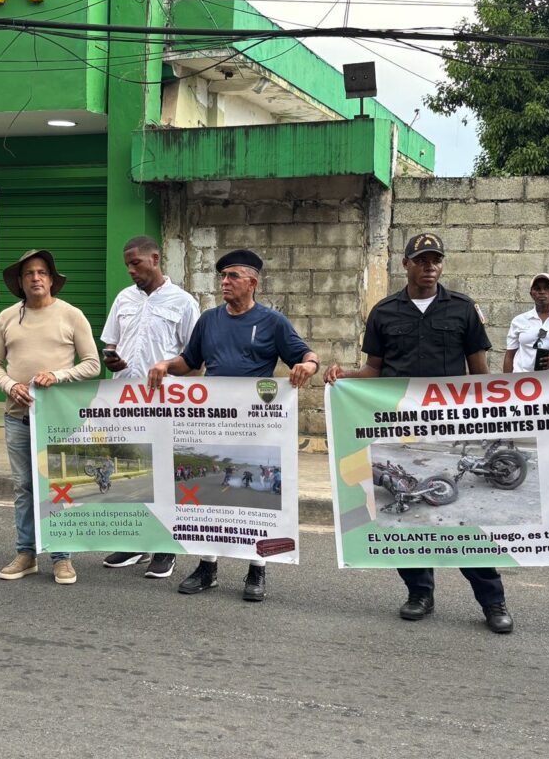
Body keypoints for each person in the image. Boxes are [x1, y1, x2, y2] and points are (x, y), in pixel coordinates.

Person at [325, 232, 513, 633]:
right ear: (406, 264)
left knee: (461, 522)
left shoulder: (462, 309)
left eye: (436, 260)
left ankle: (493, 602)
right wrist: (344, 376)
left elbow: (479, 374)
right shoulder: (384, 312)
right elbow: (374, 371)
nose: (430, 267)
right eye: (422, 260)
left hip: (449, 423)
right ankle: (419, 592)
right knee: (407, 515)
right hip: (397, 426)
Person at [148, 248, 319, 602]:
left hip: (256, 427)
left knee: (254, 497)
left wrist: (309, 366)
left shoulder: (272, 322)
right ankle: (207, 567)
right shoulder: (209, 320)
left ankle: (257, 569)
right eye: (222, 277)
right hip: (211, 424)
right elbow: (190, 361)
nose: (224, 283)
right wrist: (166, 365)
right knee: (206, 496)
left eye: (232, 277)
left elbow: (305, 354)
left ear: (252, 283)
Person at [0, 250, 100, 585]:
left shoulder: (71, 315)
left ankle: (62, 556)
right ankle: (26, 553)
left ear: (51, 279)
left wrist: (58, 375)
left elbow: (92, 363)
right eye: (28, 274)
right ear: (20, 283)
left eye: (41, 272)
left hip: (57, 418)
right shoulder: (7, 317)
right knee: (23, 487)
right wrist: (9, 386)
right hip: (16, 415)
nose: (35, 278)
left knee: (57, 487)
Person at [100, 235, 200, 578]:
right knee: (134, 471)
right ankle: (136, 542)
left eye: (136, 263)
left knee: (165, 474)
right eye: (127, 264)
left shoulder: (184, 302)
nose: (130, 270)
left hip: (164, 403)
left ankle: (165, 548)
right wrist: (110, 360)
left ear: (155, 259)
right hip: (125, 400)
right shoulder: (123, 299)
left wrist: (166, 366)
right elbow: (110, 344)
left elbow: (194, 360)